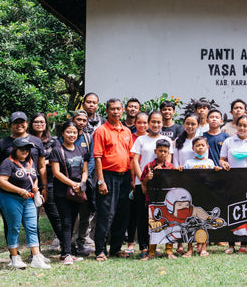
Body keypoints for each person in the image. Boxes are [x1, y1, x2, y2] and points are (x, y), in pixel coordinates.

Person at [0, 137, 51, 270]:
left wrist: (35, 187)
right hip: (11, 198)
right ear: (15, 149)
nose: (25, 151)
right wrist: (19, 190)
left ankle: (36, 257)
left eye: (27, 149)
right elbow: (2, 181)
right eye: (21, 149)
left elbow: (34, 177)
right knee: (14, 227)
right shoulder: (7, 163)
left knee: (32, 227)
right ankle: (15, 258)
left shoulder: (31, 162)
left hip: (29, 199)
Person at [92, 98, 134, 261]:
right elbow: (97, 157)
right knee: (106, 214)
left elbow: (130, 157)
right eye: (112, 109)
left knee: (122, 214)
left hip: (124, 178)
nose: (116, 112)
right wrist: (101, 181)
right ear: (107, 111)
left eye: (118, 109)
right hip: (108, 177)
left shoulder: (126, 131)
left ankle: (116, 248)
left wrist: (131, 181)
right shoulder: (101, 131)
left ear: (122, 110)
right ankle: (100, 250)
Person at [130, 111, 173, 257]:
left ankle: (158, 246)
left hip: (161, 186)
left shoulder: (166, 141)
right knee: (143, 216)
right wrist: (142, 181)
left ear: (163, 123)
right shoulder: (141, 140)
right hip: (142, 181)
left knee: (160, 215)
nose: (156, 125)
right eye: (153, 122)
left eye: (159, 122)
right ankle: (143, 247)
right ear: (148, 123)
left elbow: (169, 163)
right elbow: (135, 161)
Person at [50, 121, 89, 265]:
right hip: (62, 192)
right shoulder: (57, 150)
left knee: (72, 222)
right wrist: (73, 184)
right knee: (66, 222)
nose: (71, 134)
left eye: (74, 132)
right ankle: (67, 253)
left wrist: (81, 184)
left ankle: (65, 252)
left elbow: (85, 170)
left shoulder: (82, 150)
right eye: (68, 132)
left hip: (78, 191)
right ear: (62, 134)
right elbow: (56, 173)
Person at [220, 115, 247, 254]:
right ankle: (231, 245)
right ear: (236, 126)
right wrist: (223, 163)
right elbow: (222, 159)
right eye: (240, 125)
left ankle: (244, 244)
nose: (242, 128)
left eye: (245, 126)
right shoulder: (228, 142)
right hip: (231, 182)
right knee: (231, 211)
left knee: (245, 212)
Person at [28, 112, 64, 253]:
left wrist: (45, 162)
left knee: (56, 216)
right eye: (36, 122)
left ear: (46, 124)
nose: (39, 124)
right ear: (31, 124)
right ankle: (35, 252)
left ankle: (66, 248)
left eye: (42, 122)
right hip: (31, 183)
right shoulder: (27, 140)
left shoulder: (53, 141)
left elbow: (60, 158)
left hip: (50, 182)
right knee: (32, 219)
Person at [182, 137, 221, 256]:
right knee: (189, 222)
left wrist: (216, 170)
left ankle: (204, 248)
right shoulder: (188, 163)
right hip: (191, 195)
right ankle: (189, 249)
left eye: (202, 145)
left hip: (205, 195)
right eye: (197, 145)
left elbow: (213, 180)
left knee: (204, 222)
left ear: (207, 147)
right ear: (192, 148)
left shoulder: (210, 163)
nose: (200, 148)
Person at [140, 139, 176, 259]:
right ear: (155, 151)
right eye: (160, 150)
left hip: (167, 201)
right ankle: (151, 252)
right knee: (153, 225)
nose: (162, 153)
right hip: (153, 200)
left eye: (165, 151)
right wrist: (148, 178)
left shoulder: (171, 167)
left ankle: (169, 250)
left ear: (168, 153)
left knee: (169, 224)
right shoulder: (149, 166)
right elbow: (143, 185)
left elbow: (174, 184)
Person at [71, 109, 95, 256]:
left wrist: (83, 179)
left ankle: (82, 240)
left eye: (84, 120)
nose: (80, 123)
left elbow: (92, 159)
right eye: (78, 119)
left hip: (85, 181)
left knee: (86, 212)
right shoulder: (64, 137)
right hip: (68, 181)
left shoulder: (88, 137)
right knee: (70, 213)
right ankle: (68, 242)